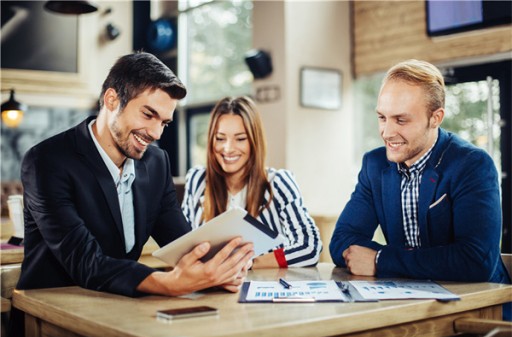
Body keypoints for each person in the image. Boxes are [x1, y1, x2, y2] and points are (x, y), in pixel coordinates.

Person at [16, 52, 254, 298]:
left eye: (164, 122)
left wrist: (218, 270)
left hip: (119, 304)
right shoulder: (46, 161)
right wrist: (170, 282)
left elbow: (181, 243)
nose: (156, 133)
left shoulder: (156, 163)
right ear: (111, 100)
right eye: (148, 115)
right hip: (52, 309)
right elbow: (85, 262)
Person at [329, 59, 510, 319]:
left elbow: (475, 261)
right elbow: (342, 242)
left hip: (479, 311)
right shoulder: (374, 165)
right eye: (382, 117)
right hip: (410, 306)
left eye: (401, 120)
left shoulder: (472, 164)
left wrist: (381, 260)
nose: (387, 132)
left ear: (435, 118)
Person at [182, 96, 322, 268]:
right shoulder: (197, 180)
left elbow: (310, 247)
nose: (228, 148)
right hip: (210, 289)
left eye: (240, 139)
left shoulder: (278, 182)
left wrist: (251, 263)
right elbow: (183, 245)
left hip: (264, 287)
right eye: (220, 138)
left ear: (254, 142)